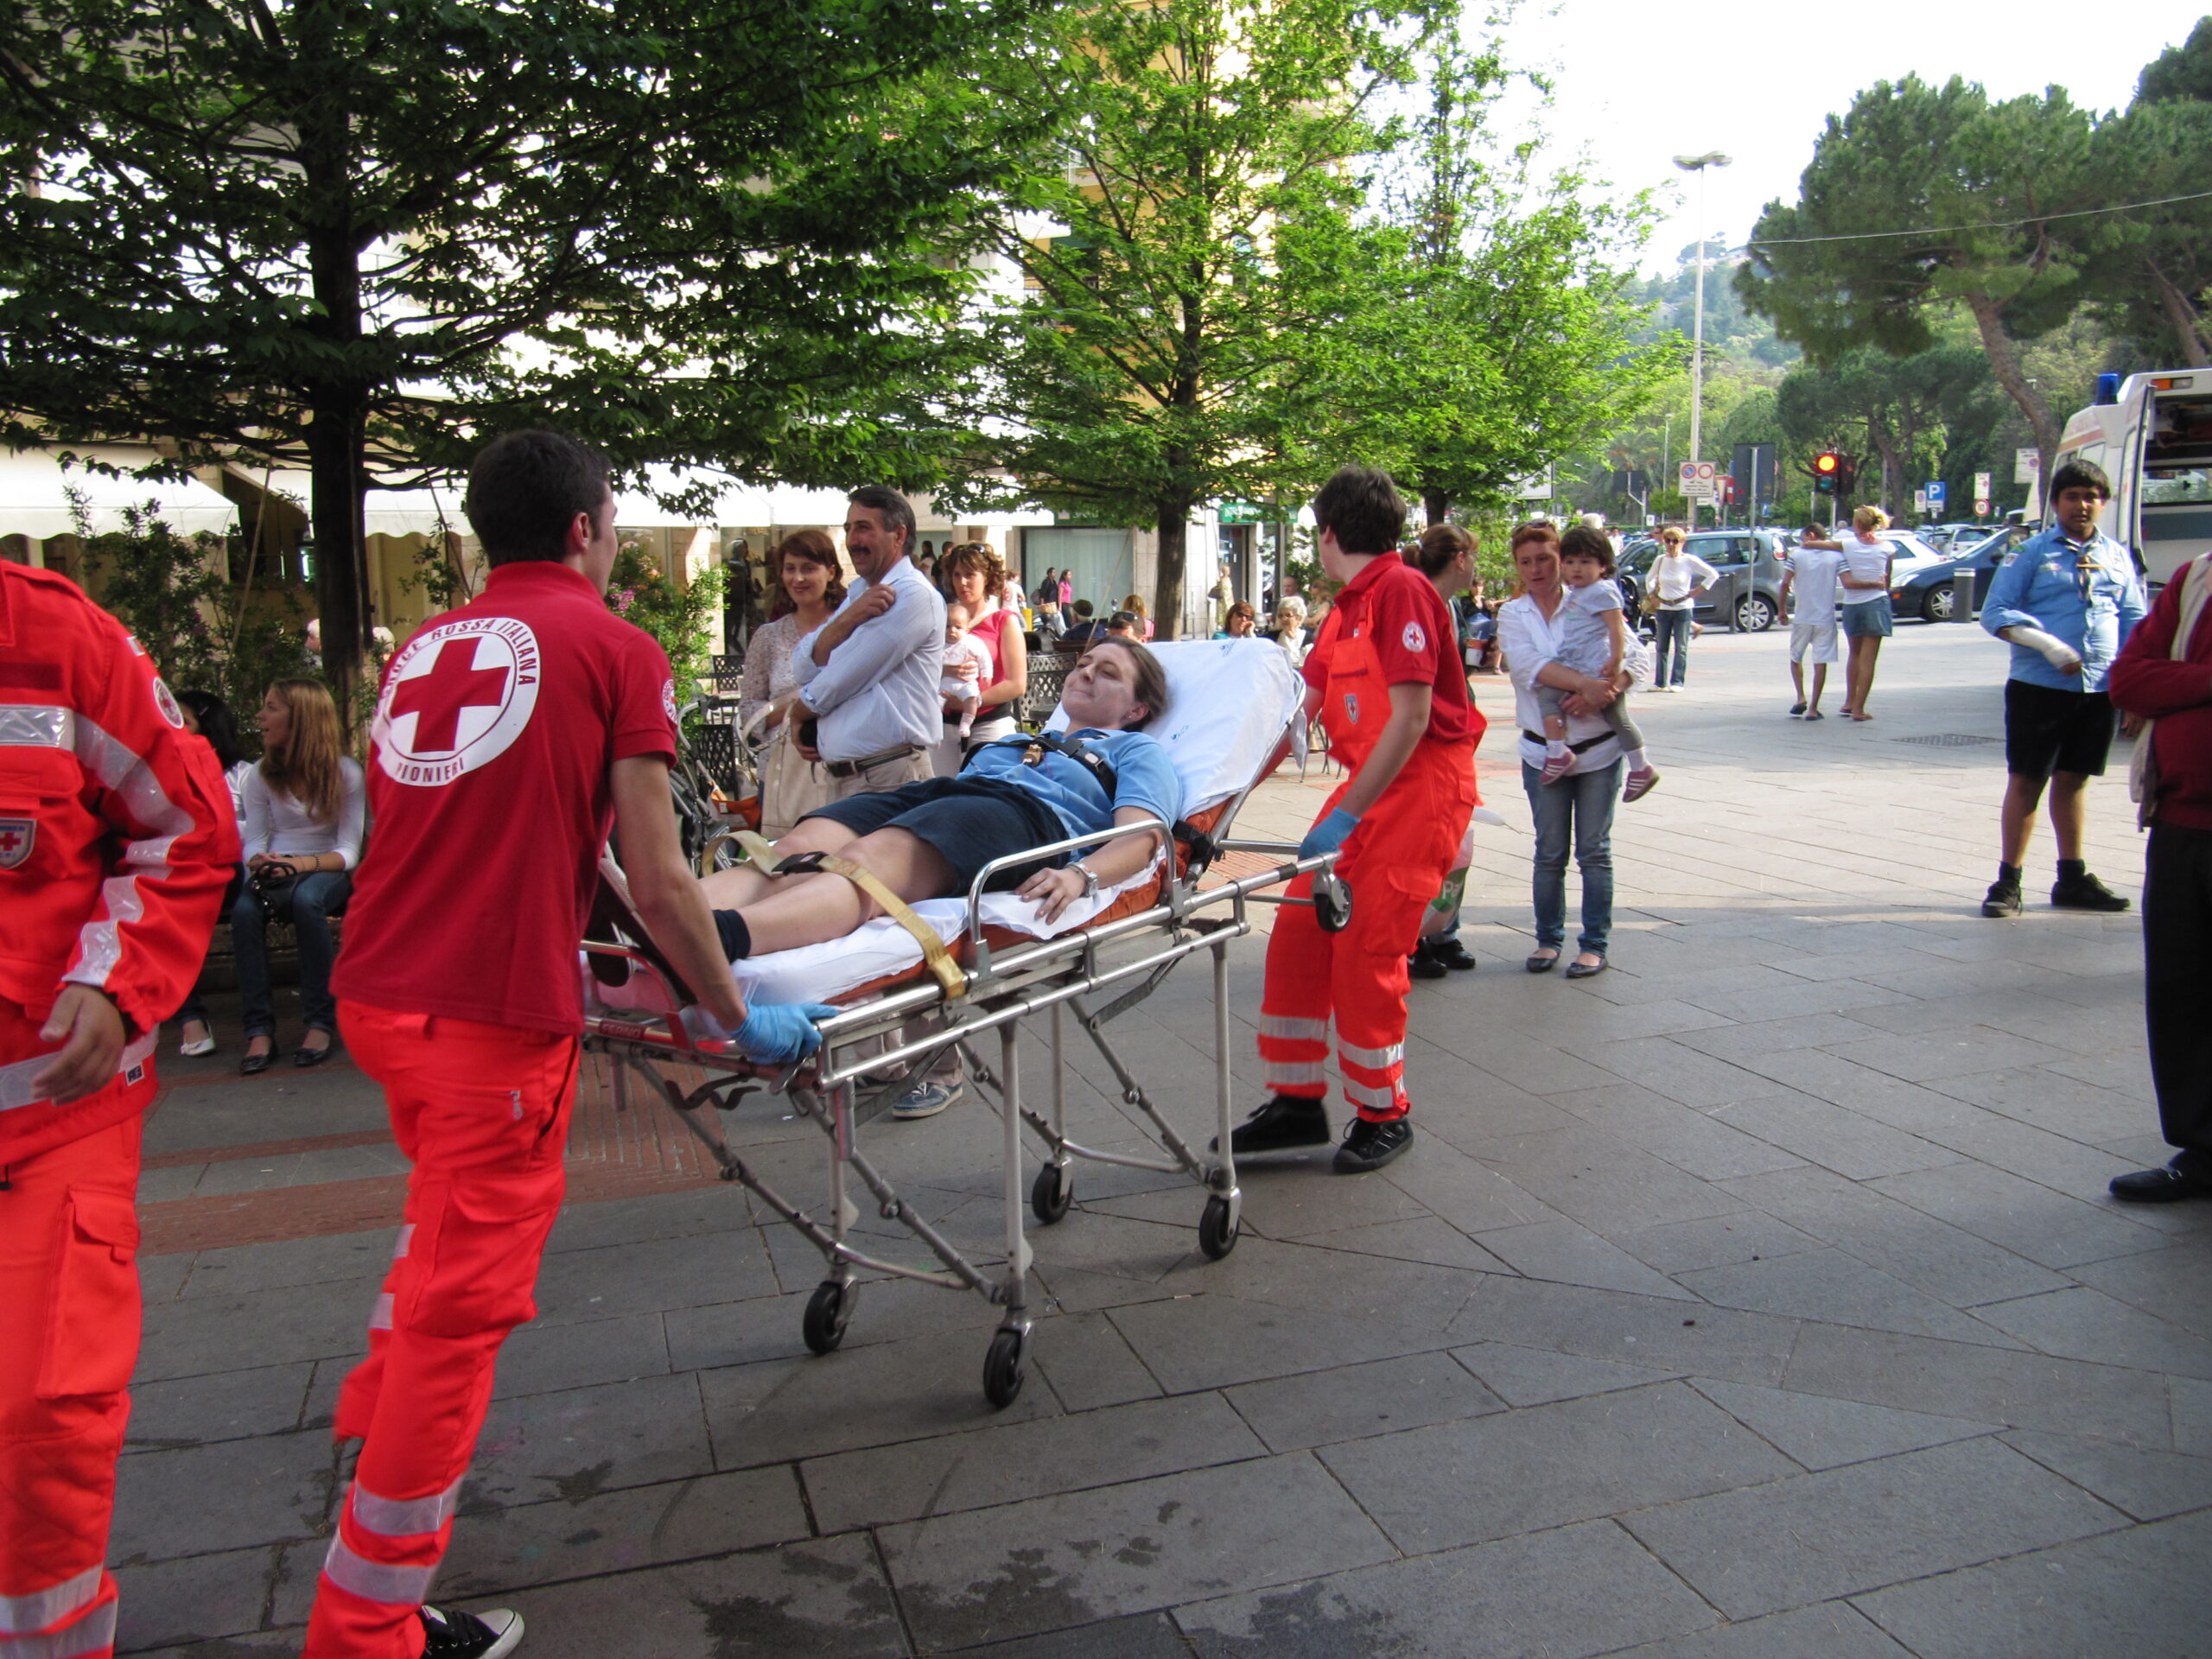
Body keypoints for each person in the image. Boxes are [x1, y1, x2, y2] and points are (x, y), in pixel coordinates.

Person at [311, 430, 804, 1659]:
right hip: (488, 1023)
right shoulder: (614, 648)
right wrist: (729, 1014)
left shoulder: (425, 650)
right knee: (461, 1316)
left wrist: (644, 948)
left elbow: (514, 828)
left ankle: (359, 1434)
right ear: (588, 527)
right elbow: (659, 870)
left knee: (433, 1229)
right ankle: (369, 1623)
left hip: (380, 995)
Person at [0, 562, 237, 1659]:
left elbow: (183, 827)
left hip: (48, 1114)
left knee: (41, 1415)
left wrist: (113, 975)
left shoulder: (52, 641)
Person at [1232, 467, 1482, 1174]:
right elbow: (1298, 715)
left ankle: (1384, 1112)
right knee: (1299, 940)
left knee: (1368, 952)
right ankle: (1296, 1103)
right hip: (1370, 795)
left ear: (1329, 533)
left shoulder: (1400, 591)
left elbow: (1411, 719)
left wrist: (1341, 817)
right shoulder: (1349, 606)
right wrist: (1217, 809)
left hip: (1418, 789)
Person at [697, 639, 1179, 955]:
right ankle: (668, 921)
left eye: (1108, 672)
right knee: (796, 850)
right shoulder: (1021, 739)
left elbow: (1143, 838)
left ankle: (719, 941)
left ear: (1137, 708)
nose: (1086, 673)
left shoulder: (1137, 749)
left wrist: (1080, 875)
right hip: (951, 793)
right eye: (1084, 664)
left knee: (871, 858)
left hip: (1026, 817)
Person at [1979, 460, 2146, 918]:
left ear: (2104, 503)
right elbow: (1996, 612)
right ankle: (2008, 881)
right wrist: (2047, 646)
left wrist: (2134, 689)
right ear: (2056, 503)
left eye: (2091, 496)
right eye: (2072, 496)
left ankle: (2072, 878)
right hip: (2040, 687)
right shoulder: (2030, 553)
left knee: (2074, 781)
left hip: (2099, 689)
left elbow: (2135, 622)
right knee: (2028, 780)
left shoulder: (2116, 556)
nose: (2082, 504)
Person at [2107, 545, 2212, 1201]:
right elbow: (2129, 679)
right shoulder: (2198, 577)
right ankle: (2202, 1151)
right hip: (2182, 826)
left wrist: (2183, 680)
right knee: (2181, 993)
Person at [1499, 522, 1624, 978]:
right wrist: (1584, 684)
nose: (1537, 569)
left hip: (1597, 750)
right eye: (1526, 561)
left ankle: (1593, 943)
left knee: (1594, 850)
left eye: (1545, 558)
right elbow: (1528, 667)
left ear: (1563, 556)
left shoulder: (1591, 594)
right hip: (1543, 752)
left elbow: (1637, 655)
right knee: (1550, 851)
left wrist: (1607, 688)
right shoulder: (1514, 614)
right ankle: (1548, 939)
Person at [233, 680, 367, 1074]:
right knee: (243, 913)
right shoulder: (260, 774)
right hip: (277, 866)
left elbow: (348, 851)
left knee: (309, 903)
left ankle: (319, 1022)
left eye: (271, 707)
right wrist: (260, 861)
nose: (261, 716)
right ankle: (258, 1029)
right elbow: (254, 838)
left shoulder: (346, 773)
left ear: (302, 719)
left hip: (326, 866)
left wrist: (301, 865)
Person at [790, 488, 945, 801]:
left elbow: (840, 676)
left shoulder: (913, 595)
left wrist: (797, 713)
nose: (851, 540)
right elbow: (802, 666)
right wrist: (847, 620)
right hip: (851, 777)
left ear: (898, 535)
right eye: (848, 528)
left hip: (888, 777)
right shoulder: (860, 593)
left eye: (863, 528)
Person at [1405, 523, 1484, 980]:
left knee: (1455, 847)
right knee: (1433, 847)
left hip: (1453, 739)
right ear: (1460, 559)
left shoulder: (1448, 604)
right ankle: (1415, 936)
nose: (1475, 566)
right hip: (1433, 745)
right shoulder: (1422, 602)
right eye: (1473, 557)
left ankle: (1441, 930)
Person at [1537, 527, 1658, 800]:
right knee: (1616, 716)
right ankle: (1640, 767)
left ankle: (1558, 753)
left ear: (1602, 565)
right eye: (1569, 562)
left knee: (1548, 698)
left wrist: (1615, 662)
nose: (1576, 569)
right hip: (1583, 664)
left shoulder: (1602, 591)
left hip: (1594, 667)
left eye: (1585, 562)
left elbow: (1616, 629)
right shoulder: (1578, 593)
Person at [741, 531, 845, 841]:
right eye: (790, 568)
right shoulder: (769, 637)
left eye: (808, 568)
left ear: (831, 572)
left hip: (843, 770)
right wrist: (799, 705)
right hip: (782, 776)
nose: (798, 578)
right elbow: (749, 710)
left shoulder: (852, 628)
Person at [174, 690, 253, 1058]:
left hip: (234, 874)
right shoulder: (162, 776)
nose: (171, 727)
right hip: (186, 876)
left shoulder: (243, 776)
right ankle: (191, 1019)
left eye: (183, 721)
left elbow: (257, 833)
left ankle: (259, 1024)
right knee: (167, 914)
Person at [938, 541, 1029, 766]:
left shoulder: (1003, 621)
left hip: (989, 724)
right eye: (957, 575)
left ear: (987, 577)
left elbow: (1017, 684)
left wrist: (973, 701)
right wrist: (942, 671)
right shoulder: (939, 618)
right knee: (940, 796)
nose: (962, 582)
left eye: (970, 575)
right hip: (942, 723)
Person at [1836, 506, 1895, 721]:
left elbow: (1820, 544)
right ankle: (1860, 709)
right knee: (1869, 660)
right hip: (1876, 603)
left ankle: (1849, 701)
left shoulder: (1847, 545)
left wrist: (1809, 543)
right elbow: (1888, 577)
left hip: (1852, 605)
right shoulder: (1887, 547)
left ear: (1857, 524)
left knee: (1854, 653)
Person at [1782, 524, 1845, 720]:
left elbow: (1785, 583)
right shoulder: (1837, 557)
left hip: (1802, 615)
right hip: (1825, 617)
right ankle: (1813, 707)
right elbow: (1848, 581)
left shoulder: (1797, 555)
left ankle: (1801, 696)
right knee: (1821, 662)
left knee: (1796, 657)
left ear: (1810, 535)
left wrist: (1782, 610)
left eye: (1802, 538)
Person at [1647, 526, 1717, 690]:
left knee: (1681, 647)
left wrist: (1698, 590)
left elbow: (1712, 574)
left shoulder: (1688, 560)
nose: (1671, 545)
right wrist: (1653, 596)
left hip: (1683, 607)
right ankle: (1660, 682)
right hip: (1664, 607)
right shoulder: (1661, 560)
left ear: (1682, 543)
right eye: (1667, 540)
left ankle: (1677, 681)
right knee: (1661, 646)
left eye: (1675, 541)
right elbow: (1650, 579)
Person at [938, 601, 991, 752]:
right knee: (936, 701)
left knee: (972, 698)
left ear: (967, 629)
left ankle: (966, 723)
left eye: (958, 627)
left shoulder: (972, 643)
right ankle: (933, 726)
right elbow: (928, 664)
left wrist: (987, 674)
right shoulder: (938, 644)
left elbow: (984, 658)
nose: (952, 631)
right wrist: (941, 671)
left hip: (967, 682)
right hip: (946, 683)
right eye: (947, 626)